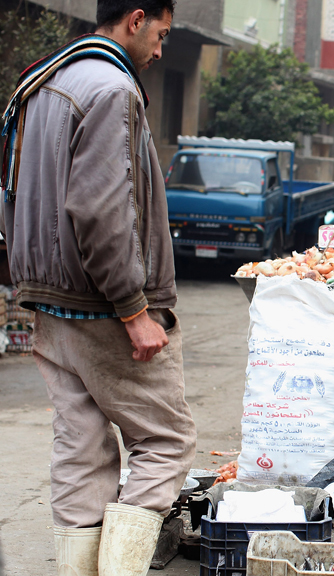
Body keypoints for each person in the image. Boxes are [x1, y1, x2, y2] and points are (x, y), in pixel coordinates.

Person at [0, 2, 197, 575]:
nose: (161, 51)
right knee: (166, 442)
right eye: (160, 34)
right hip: (101, 305)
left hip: (47, 298)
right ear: (135, 19)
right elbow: (101, 209)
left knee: (81, 448)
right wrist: (134, 308)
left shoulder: (43, 80)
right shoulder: (112, 88)